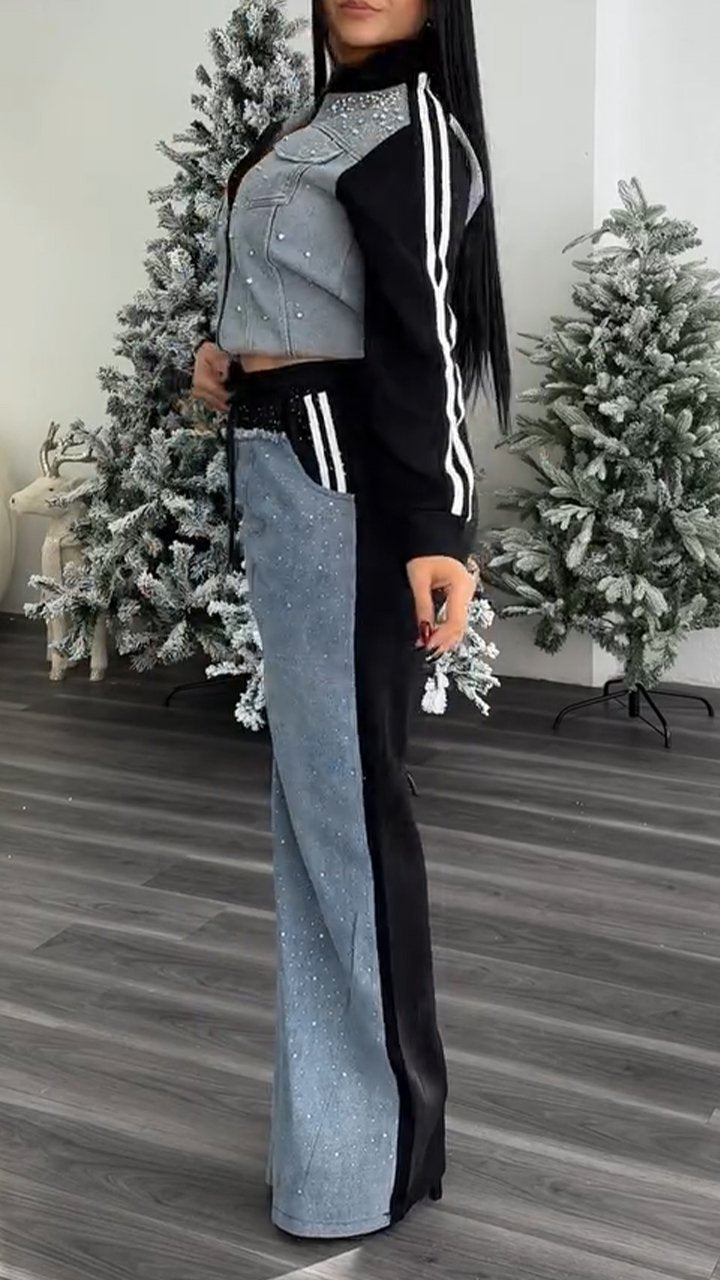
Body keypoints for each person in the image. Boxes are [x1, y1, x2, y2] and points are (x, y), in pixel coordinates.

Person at [191, 0, 511, 1242]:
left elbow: (425, 340)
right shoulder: (314, 127)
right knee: (314, 807)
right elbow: (300, 299)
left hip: (348, 495)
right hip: (278, 471)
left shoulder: (416, 133)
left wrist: (439, 528)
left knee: (350, 814)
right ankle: (331, 1143)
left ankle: (372, 1156)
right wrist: (228, 356)